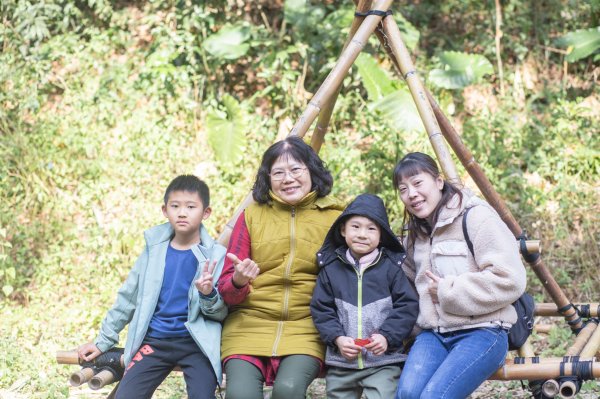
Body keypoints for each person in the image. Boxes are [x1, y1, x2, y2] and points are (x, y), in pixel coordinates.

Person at [78, 175, 227, 399]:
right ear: (165, 211)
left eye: (191, 206)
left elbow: (221, 313)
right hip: (155, 342)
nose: (182, 213)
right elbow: (127, 298)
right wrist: (103, 341)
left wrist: (208, 294)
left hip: (197, 345)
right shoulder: (154, 251)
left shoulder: (215, 256)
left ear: (206, 212)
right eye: (175, 206)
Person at [217, 136, 344, 399]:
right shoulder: (252, 215)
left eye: (296, 169)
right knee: (240, 395)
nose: (288, 179)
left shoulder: (336, 218)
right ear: (268, 178)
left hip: (307, 325)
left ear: (312, 172)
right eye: (278, 173)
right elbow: (226, 288)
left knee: (288, 390)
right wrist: (239, 281)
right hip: (248, 324)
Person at [392, 152, 527, 399]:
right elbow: (406, 283)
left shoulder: (476, 217)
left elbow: (510, 279)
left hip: (484, 331)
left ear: (439, 181)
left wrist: (448, 290)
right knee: (408, 395)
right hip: (434, 333)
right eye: (403, 189)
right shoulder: (416, 232)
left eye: (418, 183)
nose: (411, 194)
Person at [310, 193, 419, 399]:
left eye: (371, 228)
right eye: (355, 226)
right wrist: (337, 338)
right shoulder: (331, 269)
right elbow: (321, 309)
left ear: (381, 235)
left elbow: (407, 306)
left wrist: (386, 336)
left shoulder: (391, 269)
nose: (362, 234)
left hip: (382, 362)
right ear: (343, 230)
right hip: (343, 360)